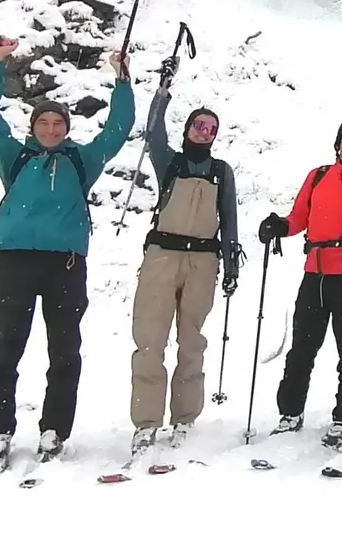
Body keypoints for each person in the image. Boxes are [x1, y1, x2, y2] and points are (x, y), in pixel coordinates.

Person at [0, 38, 135, 467]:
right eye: (43, 123)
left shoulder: (83, 160)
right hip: (13, 262)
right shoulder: (14, 155)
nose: (50, 130)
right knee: (5, 347)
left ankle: (54, 430)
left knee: (64, 349)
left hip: (64, 265)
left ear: (65, 128)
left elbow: (118, 129)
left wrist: (122, 78)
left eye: (56, 124)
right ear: (33, 126)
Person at [125, 82, 241, 463]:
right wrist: (162, 93)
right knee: (149, 339)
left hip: (203, 261)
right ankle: (146, 421)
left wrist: (230, 263)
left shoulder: (221, 172)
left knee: (192, 342)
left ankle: (185, 418)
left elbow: (229, 219)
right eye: (199, 125)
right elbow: (153, 129)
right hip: (162, 254)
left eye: (211, 128)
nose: (204, 132)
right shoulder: (169, 161)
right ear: (188, 128)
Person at [259, 116, 342, 448]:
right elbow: (299, 217)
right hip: (314, 271)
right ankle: (290, 412)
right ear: (339, 142)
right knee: (302, 346)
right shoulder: (318, 176)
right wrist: (280, 226)